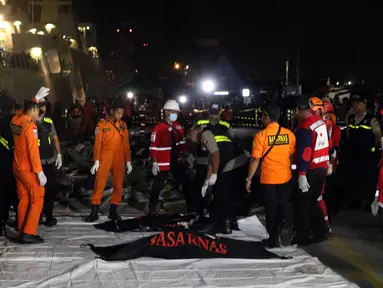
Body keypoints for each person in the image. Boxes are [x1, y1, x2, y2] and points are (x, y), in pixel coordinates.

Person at [246, 105, 296, 247]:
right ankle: (281, 231)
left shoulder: (261, 136)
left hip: (268, 178)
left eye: (263, 116)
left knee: (271, 208)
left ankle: (272, 238)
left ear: (267, 118)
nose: (262, 118)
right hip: (285, 177)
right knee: (282, 206)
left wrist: (248, 179)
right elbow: (291, 155)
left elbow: (255, 159)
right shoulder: (289, 134)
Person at [190, 120, 248, 235]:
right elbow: (211, 159)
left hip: (234, 161)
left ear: (196, 131)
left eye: (191, 134)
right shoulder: (208, 135)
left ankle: (215, 224)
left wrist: (215, 175)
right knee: (226, 193)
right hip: (237, 160)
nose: (191, 138)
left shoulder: (205, 135)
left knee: (220, 192)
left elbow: (216, 154)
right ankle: (229, 222)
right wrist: (207, 180)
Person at [86, 100, 133, 222]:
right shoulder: (101, 125)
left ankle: (113, 211)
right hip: (104, 156)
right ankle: (94, 211)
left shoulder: (123, 125)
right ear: (111, 111)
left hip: (119, 158)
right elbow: (97, 144)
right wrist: (96, 160)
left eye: (122, 113)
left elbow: (126, 145)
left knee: (118, 185)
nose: (120, 115)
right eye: (118, 113)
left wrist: (128, 161)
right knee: (99, 184)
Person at [293, 95, 330, 246]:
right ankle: (321, 231)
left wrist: (302, 174)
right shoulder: (320, 122)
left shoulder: (305, 127)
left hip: (311, 171)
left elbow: (306, 151)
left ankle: (303, 236)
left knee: (302, 204)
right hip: (322, 168)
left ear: (298, 110)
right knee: (312, 201)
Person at [12, 97, 48, 244]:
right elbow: (33, 151)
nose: (38, 114)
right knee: (38, 196)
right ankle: (28, 232)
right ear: (33, 110)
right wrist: (39, 171)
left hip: (17, 167)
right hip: (28, 169)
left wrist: (34, 99)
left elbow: (20, 113)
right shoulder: (30, 126)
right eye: (37, 111)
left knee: (24, 199)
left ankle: (22, 230)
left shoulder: (15, 121)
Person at [191, 103, 235, 217]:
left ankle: (214, 216)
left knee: (215, 190)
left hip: (219, 160)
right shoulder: (224, 125)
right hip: (213, 161)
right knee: (210, 189)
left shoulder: (203, 127)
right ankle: (211, 214)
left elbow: (214, 153)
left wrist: (213, 175)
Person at [149, 100, 189, 214]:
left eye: (177, 112)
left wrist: (186, 154)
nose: (175, 114)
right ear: (166, 112)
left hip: (175, 160)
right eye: (173, 112)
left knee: (186, 182)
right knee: (158, 185)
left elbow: (182, 143)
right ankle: (152, 209)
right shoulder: (158, 128)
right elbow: (153, 147)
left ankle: (191, 206)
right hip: (163, 163)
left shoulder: (179, 127)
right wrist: (154, 163)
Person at [344, 96, 381, 209]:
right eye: (354, 104)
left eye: (357, 104)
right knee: (354, 178)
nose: (355, 106)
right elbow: (347, 131)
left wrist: (374, 148)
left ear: (363, 105)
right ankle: (354, 201)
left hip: (367, 154)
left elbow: (378, 135)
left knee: (367, 178)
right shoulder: (351, 118)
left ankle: (367, 202)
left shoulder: (371, 120)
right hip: (354, 153)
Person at [36, 99, 63, 226]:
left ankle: (49, 216)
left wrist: (59, 154)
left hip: (49, 160)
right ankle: (37, 215)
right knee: (37, 190)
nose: (43, 109)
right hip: (36, 162)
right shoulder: (30, 121)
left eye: (44, 106)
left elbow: (55, 138)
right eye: (40, 106)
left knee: (50, 189)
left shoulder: (48, 121)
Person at [0, 102, 20, 235]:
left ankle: (2, 222)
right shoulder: (16, 124)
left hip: (2, 164)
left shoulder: (2, 122)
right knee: (16, 195)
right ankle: (20, 221)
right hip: (14, 163)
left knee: (3, 196)